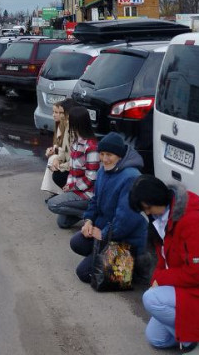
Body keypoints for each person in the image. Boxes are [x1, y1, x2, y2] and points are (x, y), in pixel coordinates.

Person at [130, 175, 199, 354]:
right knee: (156, 338)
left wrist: (160, 278)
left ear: (158, 198)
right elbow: (163, 261)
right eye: (145, 210)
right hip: (193, 289)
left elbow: (198, 273)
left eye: (148, 208)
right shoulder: (161, 220)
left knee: (151, 299)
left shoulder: (191, 221)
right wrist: (157, 279)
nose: (148, 213)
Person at [69, 132, 148, 283]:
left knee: (83, 273)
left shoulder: (131, 177)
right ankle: (105, 258)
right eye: (102, 154)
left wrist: (103, 234)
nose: (104, 159)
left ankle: (133, 265)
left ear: (119, 155)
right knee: (77, 242)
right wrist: (89, 220)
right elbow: (95, 200)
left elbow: (126, 220)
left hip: (125, 238)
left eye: (109, 155)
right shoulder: (102, 170)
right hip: (108, 231)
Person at [46, 106, 99, 228]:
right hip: (76, 189)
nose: (67, 123)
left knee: (53, 204)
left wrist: (72, 188)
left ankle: (91, 217)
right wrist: (69, 184)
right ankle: (86, 215)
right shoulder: (76, 141)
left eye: (70, 120)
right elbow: (72, 168)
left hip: (88, 193)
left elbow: (91, 179)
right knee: (62, 223)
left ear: (77, 123)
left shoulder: (91, 147)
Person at [40, 100, 71, 197]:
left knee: (53, 160)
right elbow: (58, 145)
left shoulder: (67, 127)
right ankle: (55, 191)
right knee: (52, 159)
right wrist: (52, 150)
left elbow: (66, 150)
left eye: (58, 112)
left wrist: (56, 155)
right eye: (54, 112)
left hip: (68, 161)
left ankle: (60, 193)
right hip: (64, 158)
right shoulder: (59, 125)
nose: (54, 115)